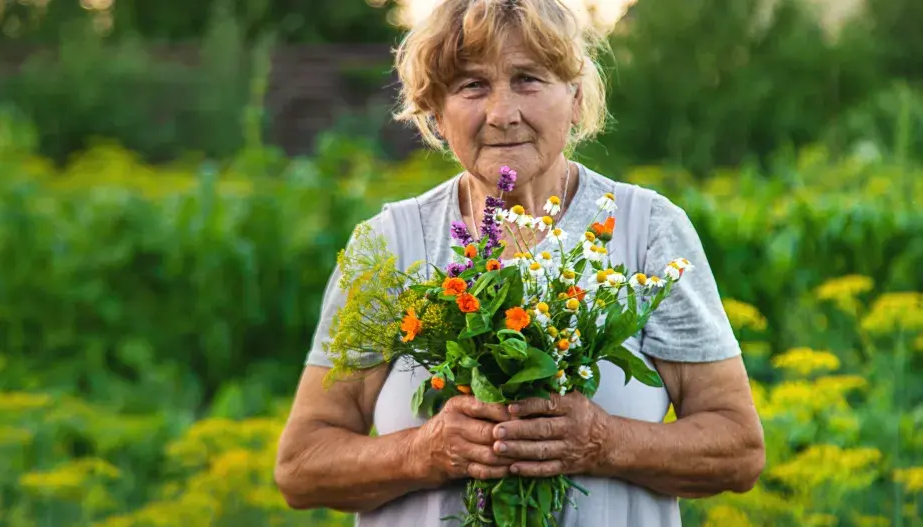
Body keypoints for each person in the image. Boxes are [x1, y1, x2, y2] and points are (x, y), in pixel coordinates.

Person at [274, 0, 765, 525]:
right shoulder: (392, 246)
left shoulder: (647, 232)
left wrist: (602, 442)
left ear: (576, 98)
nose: (502, 112)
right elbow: (303, 465)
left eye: (528, 79)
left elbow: (737, 450)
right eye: (471, 86)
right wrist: (425, 452)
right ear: (436, 112)